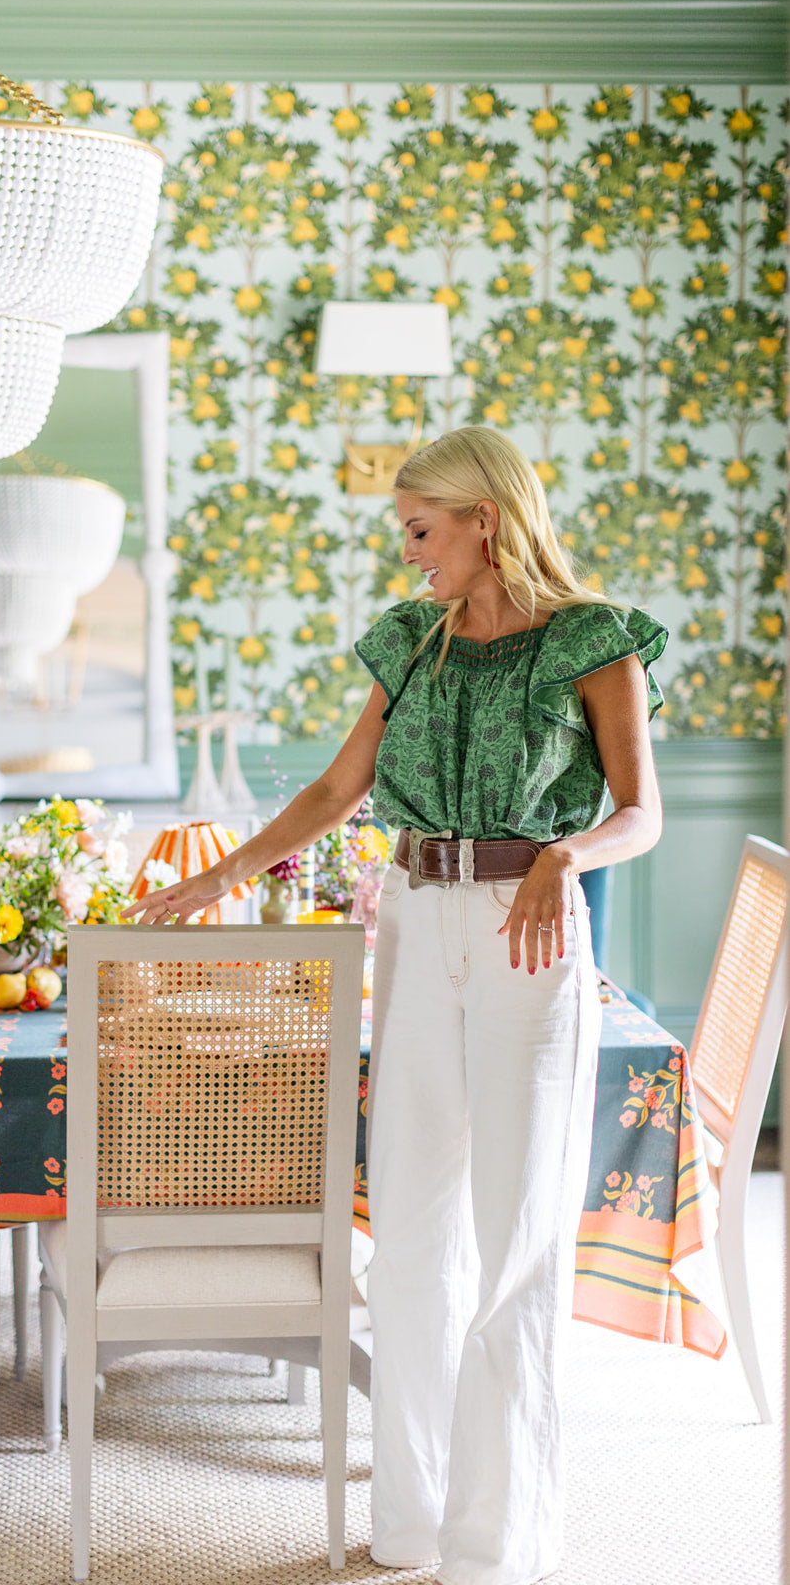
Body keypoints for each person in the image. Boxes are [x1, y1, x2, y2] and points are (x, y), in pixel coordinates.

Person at [123, 425, 666, 1585]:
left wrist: (567, 855)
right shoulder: (411, 638)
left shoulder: (591, 638)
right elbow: (338, 785)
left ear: (484, 518)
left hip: (527, 928)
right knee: (414, 1232)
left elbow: (641, 811)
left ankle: (495, 1540)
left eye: (420, 530)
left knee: (515, 1238)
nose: (408, 552)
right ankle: (410, 1522)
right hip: (414, 921)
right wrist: (219, 877)